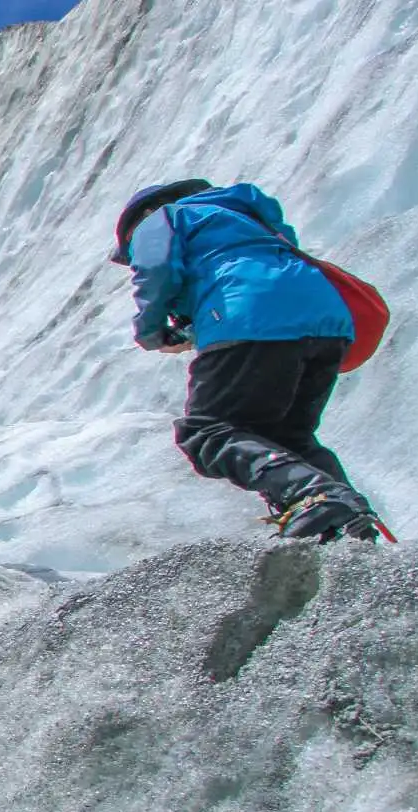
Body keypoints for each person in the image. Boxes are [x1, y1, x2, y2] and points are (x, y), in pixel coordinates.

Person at [111, 179, 379, 541]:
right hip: (326, 321)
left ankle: (314, 498)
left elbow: (155, 270)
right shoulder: (247, 217)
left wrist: (152, 331)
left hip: (250, 314)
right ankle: (348, 522)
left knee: (206, 432)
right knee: (287, 436)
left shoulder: (162, 218)